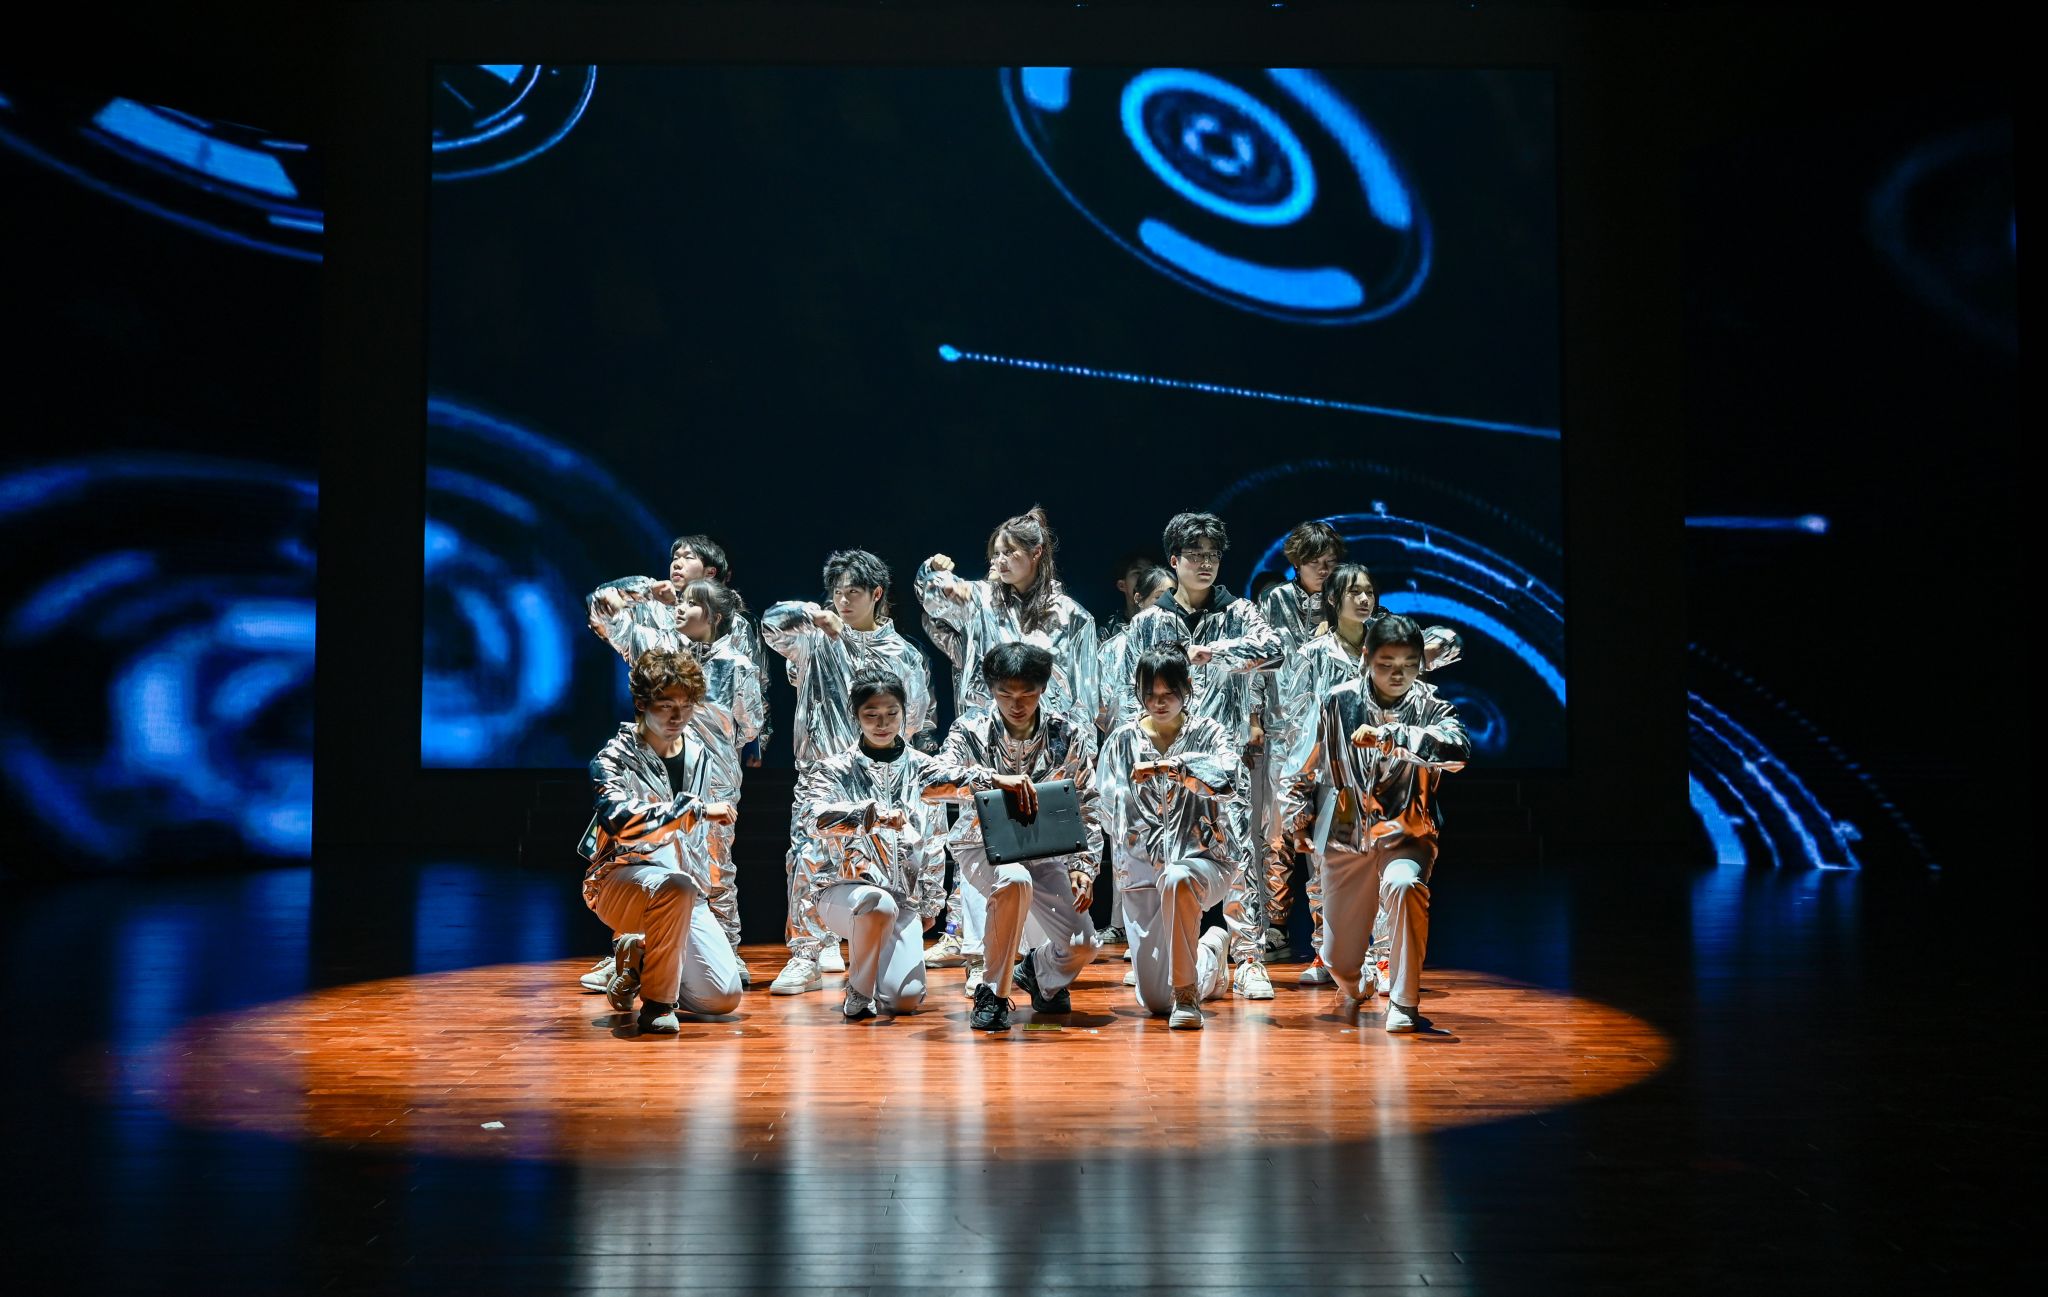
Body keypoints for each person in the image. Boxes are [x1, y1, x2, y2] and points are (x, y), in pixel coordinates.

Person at [795, 667, 1033, 1021]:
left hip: (903, 900)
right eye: (871, 715)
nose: (882, 723)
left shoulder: (921, 768)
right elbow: (812, 817)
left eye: (891, 713)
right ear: (856, 716)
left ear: (904, 714)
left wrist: (995, 779)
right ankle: (859, 990)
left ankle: (879, 972)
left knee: (904, 1000)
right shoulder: (834, 770)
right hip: (844, 895)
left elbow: (954, 786)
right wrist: (869, 816)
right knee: (876, 904)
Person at [1111, 512, 1281, 1000]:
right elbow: (1128, 690)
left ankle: (1249, 958)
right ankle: (1166, 952)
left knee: (1240, 853)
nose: (1205, 564)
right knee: (1158, 855)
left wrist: (1217, 652)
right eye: (1194, 555)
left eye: (1213, 555)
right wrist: (1139, 749)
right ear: (1174, 560)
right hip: (1162, 761)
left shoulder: (1239, 613)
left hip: (1222, 761)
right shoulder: (1150, 622)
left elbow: (1274, 651)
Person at [759, 550, 939, 995]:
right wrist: (810, 614)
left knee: (881, 862)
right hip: (821, 772)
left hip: (880, 775)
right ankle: (808, 952)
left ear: (876, 594)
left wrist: (845, 641)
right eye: (837, 592)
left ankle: (878, 942)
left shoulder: (902, 652)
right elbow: (771, 626)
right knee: (808, 857)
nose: (843, 601)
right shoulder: (813, 638)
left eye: (853, 592)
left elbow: (912, 716)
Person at [1280, 615, 1469, 1032]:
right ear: (1366, 657)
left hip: (1406, 830)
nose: (1398, 673)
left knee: (1404, 885)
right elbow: (1304, 762)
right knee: (1339, 961)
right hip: (1346, 831)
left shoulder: (1430, 705)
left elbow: (1458, 750)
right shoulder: (1337, 700)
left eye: (1409, 663)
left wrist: (1395, 737)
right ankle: (1357, 981)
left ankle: (1404, 1000)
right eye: (1386, 663)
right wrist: (1297, 818)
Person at [580, 575, 765, 990]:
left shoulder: (737, 665)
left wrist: (719, 748)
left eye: (691, 602)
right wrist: (643, 589)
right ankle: (633, 952)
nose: (679, 607)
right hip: (654, 780)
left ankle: (723, 949)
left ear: (714, 617)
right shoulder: (658, 647)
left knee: (714, 866)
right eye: (679, 600)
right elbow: (603, 611)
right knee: (652, 860)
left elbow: (751, 723)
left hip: (714, 777)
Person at [577, 649, 745, 1034]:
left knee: (722, 998)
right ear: (641, 703)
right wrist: (692, 811)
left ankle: (639, 955)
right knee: (676, 885)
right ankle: (657, 1003)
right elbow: (620, 822)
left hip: (684, 890)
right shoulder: (613, 757)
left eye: (686, 706)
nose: (677, 717)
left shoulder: (698, 754)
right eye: (666, 705)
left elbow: (698, 846)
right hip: (620, 881)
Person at [938, 643, 1102, 1027]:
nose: (1016, 704)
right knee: (1014, 879)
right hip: (983, 847)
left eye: (1027, 694)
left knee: (1083, 945)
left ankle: (1037, 973)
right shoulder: (970, 730)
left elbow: (1088, 803)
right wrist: (991, 780)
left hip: (1043, 849)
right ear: (991, 690)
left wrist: (1084, 865)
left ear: (1042, 688)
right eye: (1005, 694)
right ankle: (993, 993)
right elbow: (933, 782)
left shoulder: (1066, 734)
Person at [1096, 645, 1238, 1029]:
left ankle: (1187, 994)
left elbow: (1228, 781)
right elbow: (1103, 808)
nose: (1159, 703)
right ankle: (1210, 952)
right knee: (1155, 1000)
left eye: (1168, 694)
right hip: (1141, 873)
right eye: (1150, 694)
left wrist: (1174, 767)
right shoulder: (1122, 741)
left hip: (1204, 860)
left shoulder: (1209, 733)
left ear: (1187, 687)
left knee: (1177, 878)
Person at [588, 533, 777, 763]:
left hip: (718, 758)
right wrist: (647, 590)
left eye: (688, 557)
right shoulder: (653, 611)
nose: (677, 563)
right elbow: (600, 605)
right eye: (675, 557)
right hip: (661, 747)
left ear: (710, 572)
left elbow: (755, 694)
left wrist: (754, 746)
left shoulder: (737, 628)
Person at [916, 505, 1099, 732]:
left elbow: (1085, 700)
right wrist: (934, 572)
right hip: (986, 735)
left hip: (1048, 739)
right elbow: (928, 599)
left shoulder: (1074, 617)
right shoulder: (980, 600)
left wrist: (1079, 745)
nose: (1000, 561)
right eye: (996, 553)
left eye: (1009, 552)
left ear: (1036, 552)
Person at [1091, 563, 1172, 950]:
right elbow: (1100, 706)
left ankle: (1168, 925)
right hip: (1127, 752)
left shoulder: (1177, 648)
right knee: (1124, 836)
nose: (1166, 606)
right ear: (1138, 600)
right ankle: (1121, 923)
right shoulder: (1113, 649)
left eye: (1170, 597)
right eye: (1158, 598)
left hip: (1168, 749)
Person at [1098, 548, 1164, 644]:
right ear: (1122, 585)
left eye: (1150, 572)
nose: (1146, 577)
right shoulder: (1108, 630)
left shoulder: (1168, 621)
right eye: (1137, 572)